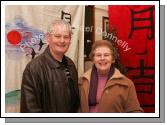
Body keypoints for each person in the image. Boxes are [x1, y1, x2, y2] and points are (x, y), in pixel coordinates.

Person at [20, 20, 80, 113]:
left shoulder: (70, 64)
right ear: (48, 38)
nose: (62, 40)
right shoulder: (34, 68)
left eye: (66, 37)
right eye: (57, 36)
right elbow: (30, 110)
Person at [79, 40, 143, 113]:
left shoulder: (127, 84)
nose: (102, 58)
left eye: (106, 55)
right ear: (93, 59)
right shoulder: (82, 82)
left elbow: (135, 111)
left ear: (113, 59)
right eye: (98, 55)